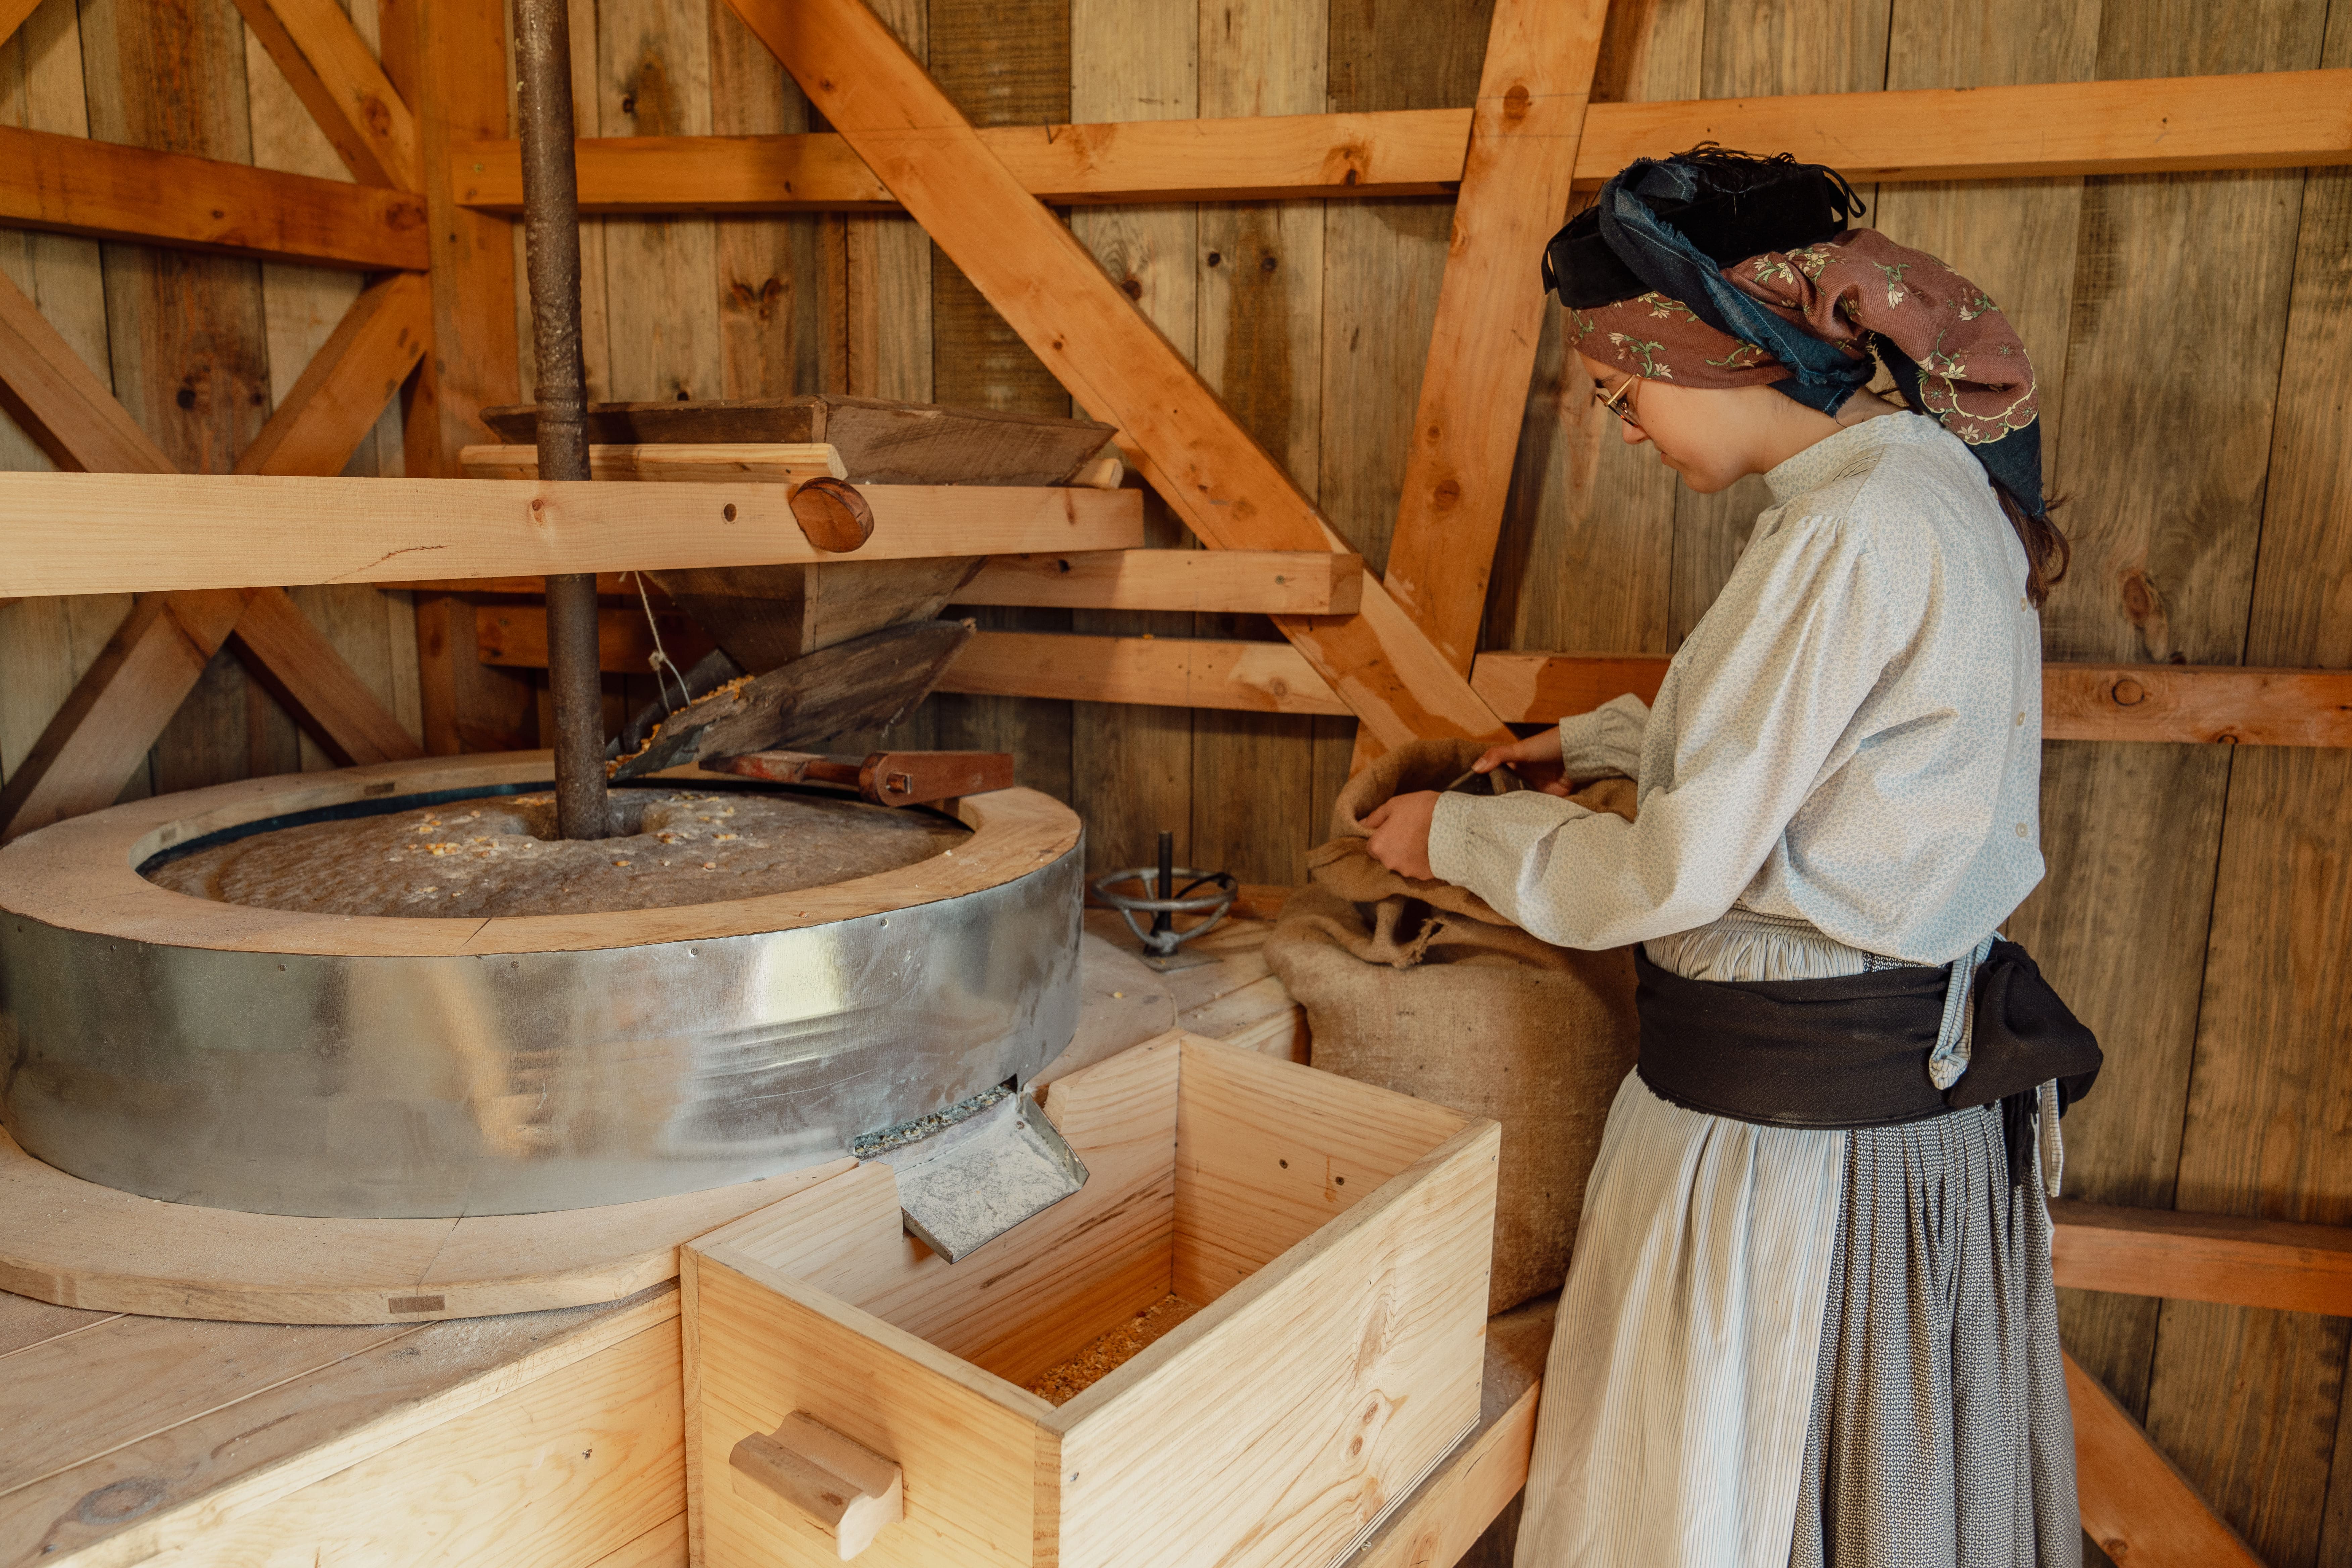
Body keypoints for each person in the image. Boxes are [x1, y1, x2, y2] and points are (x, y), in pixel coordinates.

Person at [1362, 148, 2097, 1568]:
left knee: (1719, 1501)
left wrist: (1453, 832)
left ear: (1707, 357)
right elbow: (1846, 762)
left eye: (1622, 395)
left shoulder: (1852, 533)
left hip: (1792, 1154)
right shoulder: (1925, 492)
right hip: (1894, 1120)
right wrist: (1604, 743)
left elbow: (1678, 876)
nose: (1629, 431)